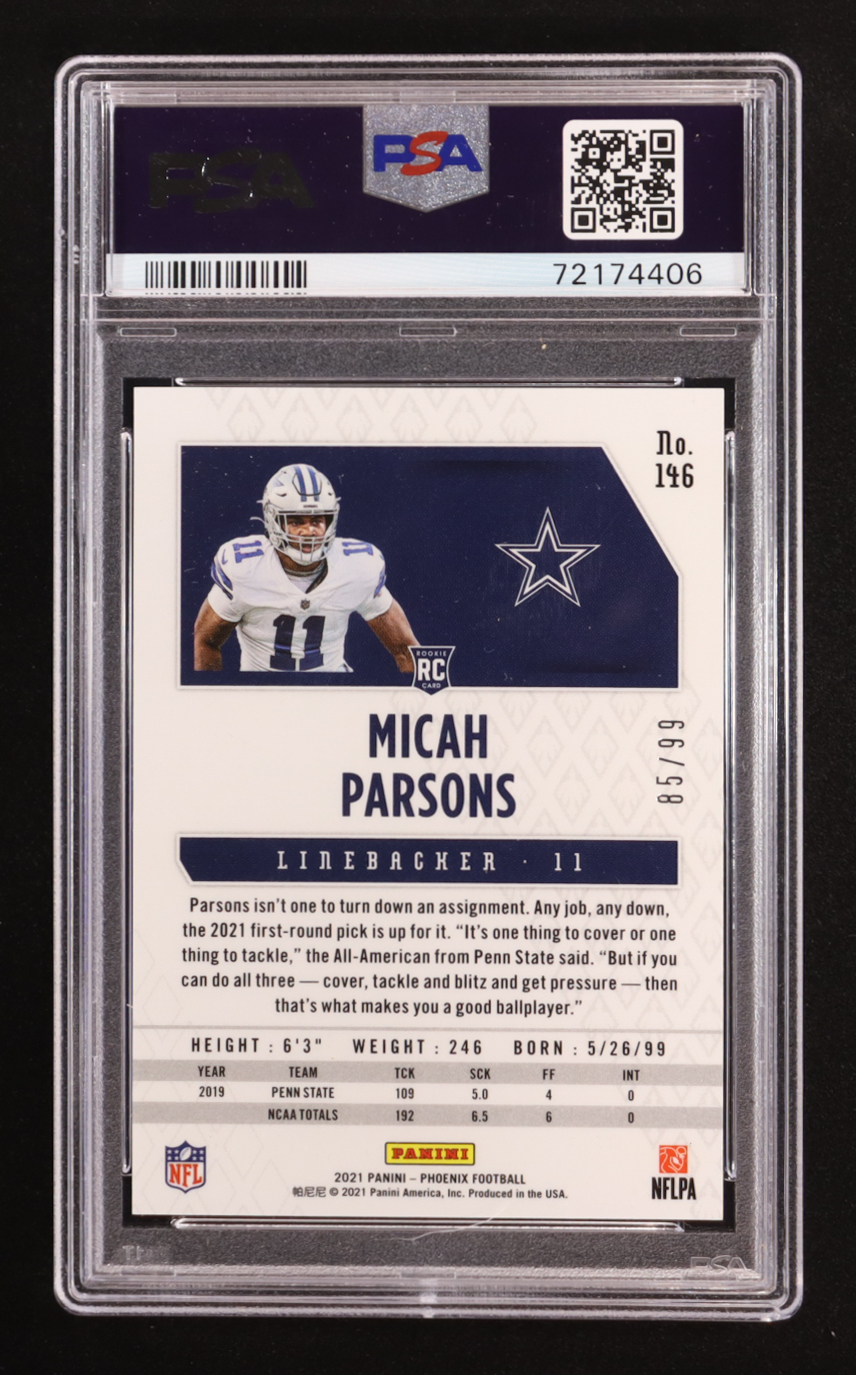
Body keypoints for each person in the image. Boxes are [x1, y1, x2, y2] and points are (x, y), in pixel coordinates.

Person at [194, 463, 419, 673]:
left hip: (332, 687)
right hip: (263, 690)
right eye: (296, 521)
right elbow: (206, 641)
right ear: (273, 521)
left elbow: (405, 648)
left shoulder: (359, 567)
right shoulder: (245, 569)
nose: (309, 531)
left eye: (317, 521)